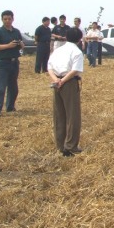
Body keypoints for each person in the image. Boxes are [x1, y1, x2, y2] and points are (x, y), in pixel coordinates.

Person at [47, 27, 84, 157]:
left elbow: (49, 67)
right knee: (72, 115)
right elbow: (75, 70)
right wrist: (63, 81)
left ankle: (60, 145)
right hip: (68, 83)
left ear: (66, 37)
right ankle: (71, 146)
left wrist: (56, 80)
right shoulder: (77, 52)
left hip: (56, 83)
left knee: (59, 114)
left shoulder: (58, 50)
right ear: (79, 39)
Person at [0, 10, 24, 118]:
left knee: (13, 88)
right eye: (5, 19)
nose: (7, 21)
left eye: (9, 19)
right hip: (2, 63)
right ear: (2, 19)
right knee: (0, 88)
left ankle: (10, 107)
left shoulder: (16, 31)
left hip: (14, 62)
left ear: (13, 19)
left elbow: (21, 45)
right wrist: (8, 46)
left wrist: (20, 44)